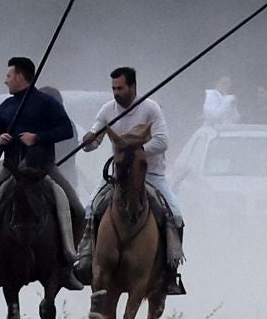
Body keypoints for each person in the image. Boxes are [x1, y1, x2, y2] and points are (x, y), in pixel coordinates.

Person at [0, 56, 87, 292]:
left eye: (8, 76)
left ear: (20, 77)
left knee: (78, 210)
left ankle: (66, 265)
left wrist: (38, 138)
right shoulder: (5, 107)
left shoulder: (47, 104)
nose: (6, 81)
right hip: (10, 169)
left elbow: (65, 129)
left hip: (43, 169)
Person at [76, 66, 186, 295]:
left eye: (121, 88)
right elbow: (95, 137)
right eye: (114, 88)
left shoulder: (151, 108)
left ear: (133, 87)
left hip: (152, 174)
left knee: (175, 214)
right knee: (89, 208)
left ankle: (170, 270)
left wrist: (136, 151)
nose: (116, 93)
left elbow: (163, 141)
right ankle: (86, 261)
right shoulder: (108, 110)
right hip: (119, 175)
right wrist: (88, 141)